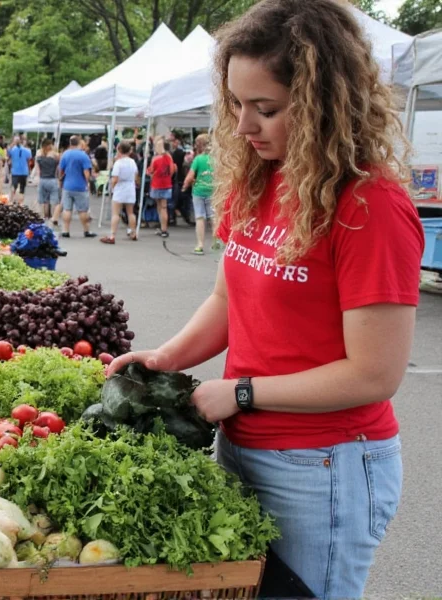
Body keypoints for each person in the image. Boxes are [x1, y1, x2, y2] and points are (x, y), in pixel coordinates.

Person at [109, 1, 424, 597]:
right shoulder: (259, 179)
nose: (244, 124)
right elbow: (231, 301)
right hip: (245, 444)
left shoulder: (368, 204)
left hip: (326, 465)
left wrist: (242, 392)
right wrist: (166, 357)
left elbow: (374, 374)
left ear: (325, 103)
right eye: (234, 103)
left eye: (267, 109)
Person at [183, 133, 217, 255]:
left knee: (200, 218)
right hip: (213, 190)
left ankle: (200, 245)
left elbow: (190, 176)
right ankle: (216, 243)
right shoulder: (216, 159)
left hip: (198, 191)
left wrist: (185, 185)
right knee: (213, 218)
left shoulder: (198, 159)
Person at [57, 136, 97, 239]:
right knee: (82, 210)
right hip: (80, 186)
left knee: (67, 209)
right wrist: (87, 182)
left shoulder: (65, 154)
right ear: (79, 143)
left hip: (67, 186)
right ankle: (86, 230)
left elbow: (61, 170)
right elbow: (86, 172)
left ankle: (65, 230)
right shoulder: (83, 156)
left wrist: (61, 181)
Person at [100, 141, 138, 244]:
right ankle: (133, 232)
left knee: (115, 213)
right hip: (130, 187)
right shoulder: (132, 162)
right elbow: (135, 175)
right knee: (130, 212)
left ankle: (112, 235)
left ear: (119, 150)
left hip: (120, 188)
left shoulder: (118, 163)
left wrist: (112, 188)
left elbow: (115, 179)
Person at [146, 137, 176, 238]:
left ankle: (162, 227)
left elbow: (150, 171)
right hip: (167, 184)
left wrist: (150, 173)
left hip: (156, 184)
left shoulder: (156, 159)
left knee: (160, 207)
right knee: (164, 207)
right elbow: (172, 170)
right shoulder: (169, 158)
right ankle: (164, 229)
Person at [34, 139, 60, 221]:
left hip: (42, 180)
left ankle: (45, 217)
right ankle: (54, 218)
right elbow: (58, 168)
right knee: (55, 201)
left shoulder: (40, 158)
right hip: (52, 179)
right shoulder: (56, 158)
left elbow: (38, 170)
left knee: (45, 201)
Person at [7, 137, 32, 205]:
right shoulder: (28, 150)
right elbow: (29, 159)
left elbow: (7, 156)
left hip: (15, 172)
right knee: (22, 189)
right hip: (24, 172)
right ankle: (20, 204)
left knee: (13, 187)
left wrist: (11, 145)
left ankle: (11, 201)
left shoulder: (12, 150)